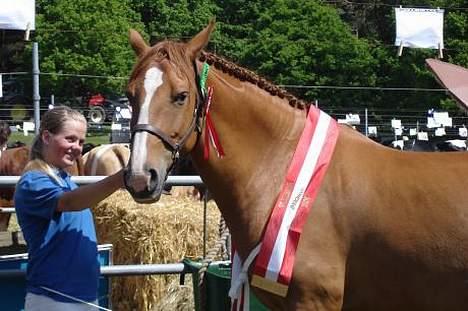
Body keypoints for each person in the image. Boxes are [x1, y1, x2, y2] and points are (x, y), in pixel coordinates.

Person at [14, 106, 124, 311]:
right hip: (55, 299)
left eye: (81, 141)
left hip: (80, 297)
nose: (77, 148)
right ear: (46, 137)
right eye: (70, 139)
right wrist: (119, 179)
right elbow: (69, 203)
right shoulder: (34, 181)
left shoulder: (64, 180)